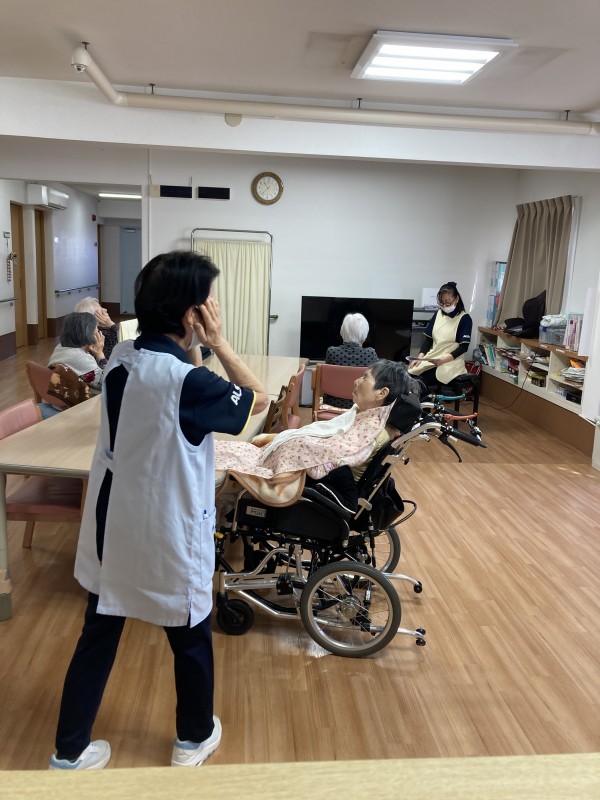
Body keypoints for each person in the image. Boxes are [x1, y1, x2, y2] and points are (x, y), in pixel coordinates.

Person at [48, 250, 268, 771]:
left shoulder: (122, 358)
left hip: (113, 524)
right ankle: (193, 739)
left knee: (98, 634)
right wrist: (218, 342)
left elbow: (178, 388)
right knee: (190, 636)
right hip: (167, 530)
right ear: (193, 314)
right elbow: (256, 399)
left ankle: (70, 751)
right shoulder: (188, 383)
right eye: (207, 303)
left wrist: (194, 344)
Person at [407, 281, 472, 392]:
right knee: (408, 376)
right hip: (433, 357)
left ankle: (424, 403)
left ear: (456, 299)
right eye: (441, 303)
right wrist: (419, 358)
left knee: (421, 382)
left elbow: (463, 347)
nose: (444, 306)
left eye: (448, 303)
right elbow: (428, 340)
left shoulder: (464, 319)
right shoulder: (438, 314)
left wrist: (443, 360)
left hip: (451, 361)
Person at [323, 313, 378, 409]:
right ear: (365, 335)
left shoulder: (331, 352)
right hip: (360, 405)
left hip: (332, 404)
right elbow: (378, 377)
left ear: (342, 332)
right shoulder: (370, 354)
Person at [48, 312, 107, 394]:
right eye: (97, 331)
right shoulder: (80, 359)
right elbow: (108, 381)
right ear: (88, 335)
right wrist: (100, 354)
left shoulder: (60, 347)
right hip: (90, 399)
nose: (100, 334)